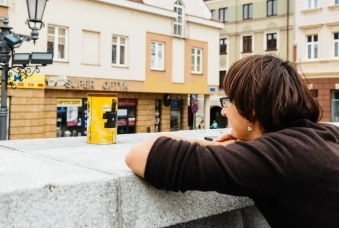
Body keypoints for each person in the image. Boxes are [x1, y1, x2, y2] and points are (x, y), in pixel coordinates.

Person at [125, 54, 339, 228]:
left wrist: (227, 147)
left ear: (251, 110)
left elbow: (141, 154)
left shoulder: (275, 158)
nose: (225, 111)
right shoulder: (327, 135)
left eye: (229, 101)